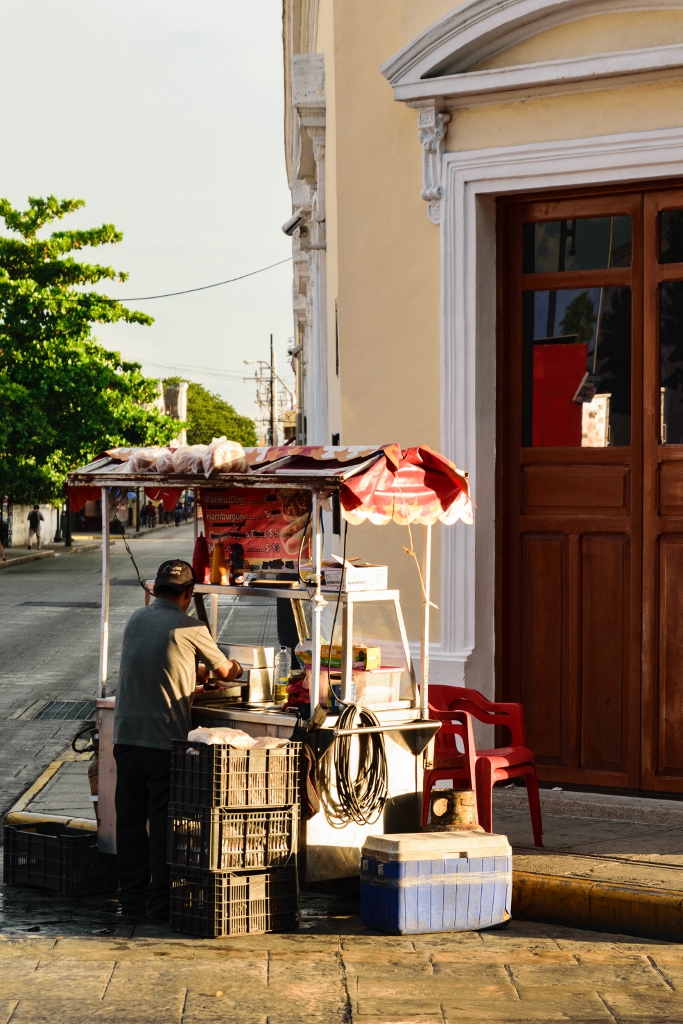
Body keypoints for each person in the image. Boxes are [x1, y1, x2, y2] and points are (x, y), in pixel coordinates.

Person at [113, 559, 242, 920]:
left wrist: (191, 669)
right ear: (188, 594)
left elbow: (162, 657)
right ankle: (158, 904)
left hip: (126, 736)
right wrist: (237, 668)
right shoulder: (191, 626)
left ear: (154, 590)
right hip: (162, 739)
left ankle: (131, 899)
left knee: (130, 822)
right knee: (162, 824)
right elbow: (224, 671)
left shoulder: (135, 620)